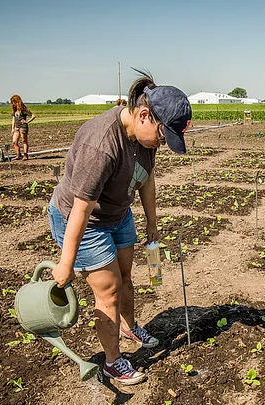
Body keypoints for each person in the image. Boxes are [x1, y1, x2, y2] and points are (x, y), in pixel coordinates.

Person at [48, 73, 191, 385]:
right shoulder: (101, 144)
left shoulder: (144, 137)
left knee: (126, 277)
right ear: (144, 116)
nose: (161, 144)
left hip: (118, 213)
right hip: (83, 220)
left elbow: (147, 177)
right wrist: (66, 263)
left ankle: (129, 326)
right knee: (109, 289)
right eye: (163, 137)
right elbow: (81, 209)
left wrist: (152, 223)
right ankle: (112, 360)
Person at [10, 94, 35, 160]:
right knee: (14, 142)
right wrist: (12, 128)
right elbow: (13, 119)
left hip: (23, 127)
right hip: (16, 127)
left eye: (14, 102)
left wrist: (27, 121)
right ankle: (18, 155)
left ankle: (25, 155)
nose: (13, 104)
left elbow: (33, 116)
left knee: (24, 140)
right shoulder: (14, 110)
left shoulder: (23, 109)